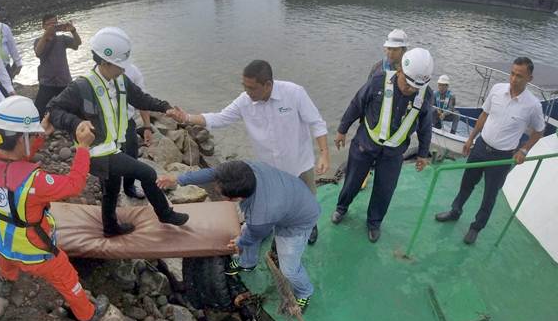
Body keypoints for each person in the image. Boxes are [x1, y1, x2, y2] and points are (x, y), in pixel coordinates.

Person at [0, 96, 109, 321]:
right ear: (21, 139)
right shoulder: (36, 182)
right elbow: (74, 184)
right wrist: (83, 148)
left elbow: (13, 154)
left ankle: (6, 283)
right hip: (35, 251)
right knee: (66, 276)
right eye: (32, 135)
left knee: (6, 260)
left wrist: (41, 133)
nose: (36, 137)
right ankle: (88, 314)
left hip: (2, 241)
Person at [168, 60, 329, 244]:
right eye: (244, 86)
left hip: (299, 162)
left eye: (251, 88)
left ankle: (310, 225)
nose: (247, 92)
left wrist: (324, 153)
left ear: (267, 85)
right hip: (270, 168)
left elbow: (316, 122)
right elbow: (219, 118)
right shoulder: (244, 101)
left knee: (307, 197)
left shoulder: (294, 93)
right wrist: (187, 117)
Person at [48, 27, 188, 237]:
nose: (123, 70)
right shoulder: (82, 87)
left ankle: (110, 227)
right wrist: (76, 123)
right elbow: (53, 108)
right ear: (104, 62)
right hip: (97, 152)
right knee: (147, 173)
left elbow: (141, 98)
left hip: (114, 146)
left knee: (112, 189)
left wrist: (166, 107)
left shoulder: (120, 80)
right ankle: (165, 214)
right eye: (119, 66)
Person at [158, 160, 320, 312]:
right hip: (287, 197)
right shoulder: (245, 169)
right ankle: (248, 263)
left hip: (298, 220)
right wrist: (178, 179)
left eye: (220, 192)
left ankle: (305, 292)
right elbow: (214, 173)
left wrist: (240, 242)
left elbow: (254, 234)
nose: (216, 188)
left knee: (289, 269)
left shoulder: (261, 213)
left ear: (236, 198)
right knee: (245, 231)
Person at [435, 57, 545, 244]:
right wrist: (471, 138)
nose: (513, 79)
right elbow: (484, 115)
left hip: (502, 157)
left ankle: (476, 227)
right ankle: (455, 211)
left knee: (490, 195)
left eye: (519, 76)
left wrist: (524, 150)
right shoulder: (497, 90)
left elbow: (539, 131)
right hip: (480, 147)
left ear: (530, 78)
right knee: (466, 183)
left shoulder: (533, 105)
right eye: (512, 73)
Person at [331, 48, 434, 243]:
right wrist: (342, 130)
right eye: (407, 83)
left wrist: (422, 154)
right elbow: (357, 104)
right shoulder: (378, 81)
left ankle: (374, 222)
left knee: (384, 189)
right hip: (365, 144)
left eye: (415, 87)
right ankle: (341, 208)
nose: (409, 89)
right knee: (352, 181)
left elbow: (426, 126)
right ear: (400, 70)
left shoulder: (426, 96)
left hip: (393, 153)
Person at [33, 14, 81, 116]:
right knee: (39, 111)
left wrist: (73, 31)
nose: (53, 27)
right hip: (47, 83)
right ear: (43, 26)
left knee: (72, 109)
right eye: (50, 24)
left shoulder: (62, 39)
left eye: (55, 24)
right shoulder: (39, 41)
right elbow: (38, 52)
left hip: (64, 81)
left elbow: (77, 44)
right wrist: (46, 35)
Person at [122, 63, 153, 199]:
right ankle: (108, 190)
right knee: (107, 157)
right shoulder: (100, 69)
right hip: (105, 123)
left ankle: (129, 187)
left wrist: (147, 127)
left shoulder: (133, 71)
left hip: (127, 121)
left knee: (131, 154)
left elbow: (142, 100)